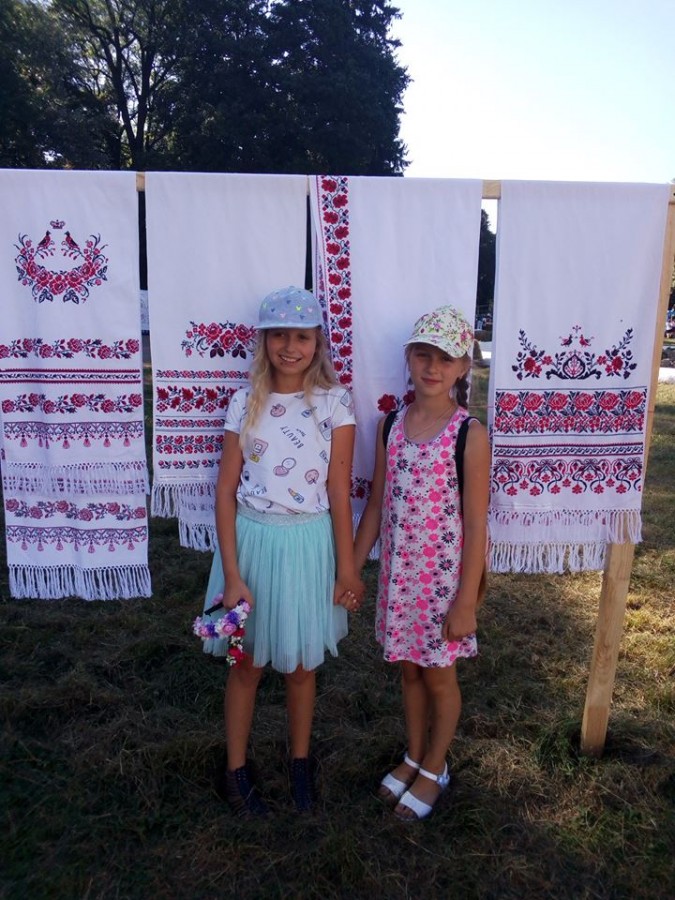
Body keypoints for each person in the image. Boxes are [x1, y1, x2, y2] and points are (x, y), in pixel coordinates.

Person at [203, 286, 364, 816]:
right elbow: (225, 490)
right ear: (264, 340)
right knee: (245, 663)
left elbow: (339, 490)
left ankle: (299, 762)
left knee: (299, 664)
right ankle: (235, 769)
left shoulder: (335, 404)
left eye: (301, 337)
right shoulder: (243, 402)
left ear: (317, 342)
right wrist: (232, 574)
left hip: (308, 545)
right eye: (278, 336)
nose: (290, 347)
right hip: (251, 542)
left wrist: (346, 568)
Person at [354, 305, 490, 821]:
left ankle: (435, 767)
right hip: (399, 581)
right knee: (409, 671)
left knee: (439, 677)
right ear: (409, 359)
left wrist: (466, 601)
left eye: (446, 358)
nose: (433, 367)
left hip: (442, 588)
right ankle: (414, 755)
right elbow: (375, 504)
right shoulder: (390, 425)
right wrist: (352, 568)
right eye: (423, 355)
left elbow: (476, 526)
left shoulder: (468, 435)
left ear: (463, 367)